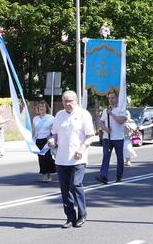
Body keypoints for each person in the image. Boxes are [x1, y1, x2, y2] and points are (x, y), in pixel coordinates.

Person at [48, 90, 95, 229]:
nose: (67, 104)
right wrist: (52, 140)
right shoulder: (59, 115)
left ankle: (82, 214)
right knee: (65, 189)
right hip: (61, 158)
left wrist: (82, 148)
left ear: (76, 101)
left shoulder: (83, 114)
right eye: (64, 101)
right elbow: (55, 134)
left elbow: (90, 135)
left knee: (75, 184)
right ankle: (70, 217)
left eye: (70, 101)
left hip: (78, 158)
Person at [96, 91, 129, 184]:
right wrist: (105, 129)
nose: (110, 100)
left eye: (112, 98)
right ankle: (103, 176)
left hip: (118, 138)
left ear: (117, 98)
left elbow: (121, 121)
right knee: (106, 157)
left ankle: (119, 176)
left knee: (119, 158)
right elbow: (101, 122)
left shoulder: (121, 109)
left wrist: (111, 114)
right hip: (107, 138)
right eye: (109, 98)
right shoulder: (105, 110)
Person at [32, 100, 56, 182]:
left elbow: (55, 130)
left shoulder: (51, 118)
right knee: (41, 158)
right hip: (38, 140)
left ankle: (56, 168)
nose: (41, 108)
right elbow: (34, 130)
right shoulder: (35, 119)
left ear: (46, 108)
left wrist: (53, 139)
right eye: (40, 107)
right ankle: (45, 174)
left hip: (47, 140)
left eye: (43, 106)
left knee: (47, 157)